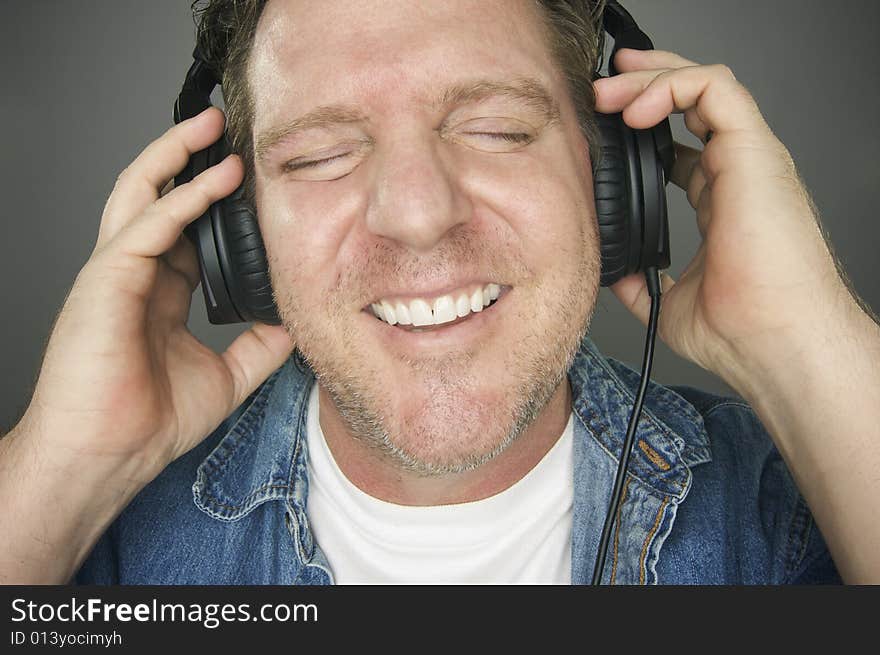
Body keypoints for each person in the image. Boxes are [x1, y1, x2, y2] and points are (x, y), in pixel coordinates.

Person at [1, 0, 878, 585]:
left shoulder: (791, 511)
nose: (417, 216)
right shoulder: (97, 543)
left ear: (615, 176)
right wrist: (67, 465)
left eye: (496, 129)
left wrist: (805, 344)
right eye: (320, 155)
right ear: (237, 229)